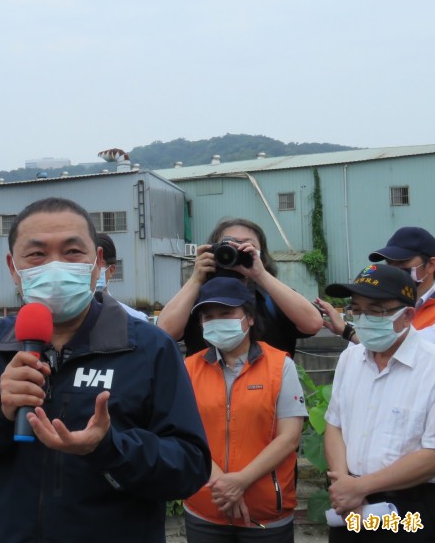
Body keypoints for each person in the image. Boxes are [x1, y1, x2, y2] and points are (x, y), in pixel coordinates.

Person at [0, 197, 211, 543]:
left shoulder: (149, 347)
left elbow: (190, 467)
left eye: (72, 252)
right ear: (13, 267)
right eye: (37, 254)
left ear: (97, 263)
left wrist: (109, 447)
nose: (55, 266)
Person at [183, 277, 307, 542]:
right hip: (205, 508)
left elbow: (289, 437)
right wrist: (224, 485)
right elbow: (185, 433)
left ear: (249, 318)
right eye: (209, 316)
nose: (217, 321)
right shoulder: (189, 369)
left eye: (226, 313)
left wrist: (241, 481)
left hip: (264, 514)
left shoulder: (279, 366)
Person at [323, 264, 435, 541]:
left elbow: (432, 454)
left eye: (376, 311)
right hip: (348, 505)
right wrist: (343, 484)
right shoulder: (351, 358)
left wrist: (359, 488)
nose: (363, 319)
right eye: (356, 309)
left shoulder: (430, 366)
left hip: (409, 508)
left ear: (407, 315)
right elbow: (334, 424)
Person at [157, 217, 323, 358]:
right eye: (228, 244)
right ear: (214, 250)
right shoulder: (198, 297)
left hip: (270, 390)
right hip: (204, 390)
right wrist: (195, 279)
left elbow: (313, 323)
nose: (236, 249)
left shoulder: (273, 297)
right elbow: (164, 333)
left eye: (246, 245)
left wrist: (261, 275)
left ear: (261, 254)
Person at [318, 227, 435, 346]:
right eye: (389, 263)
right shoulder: (376, 303)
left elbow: (413, 351)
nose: (393, 270)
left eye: (402, 262)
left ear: (431, 265)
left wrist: (348, 332)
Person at [95, 232, 150, 321]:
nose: (93, 270)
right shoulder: (69, 321)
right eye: (89, 264)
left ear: (111, 270)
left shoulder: (135, 319)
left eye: (99, 264)